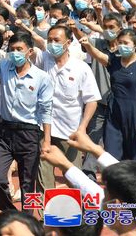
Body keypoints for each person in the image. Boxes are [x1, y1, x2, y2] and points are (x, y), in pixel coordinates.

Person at [0, 32, 53, 210]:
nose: (15, 53)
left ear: (29, 51)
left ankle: (29, 220)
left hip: (28, 133)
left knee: (28, 184)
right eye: (12, 49)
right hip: (5, 131)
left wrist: (47, 141)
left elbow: (46, 110)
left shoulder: (41, 77)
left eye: (19, 49)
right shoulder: (5, 67)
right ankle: (10, 211)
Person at [34, 25, 100, 194]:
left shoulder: (81, 68)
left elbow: (91, 100)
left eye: (57, 40)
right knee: (44, 176)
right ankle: (45, 218)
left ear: (68, 42)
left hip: (70, 133)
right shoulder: (44, 60)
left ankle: (79, 216)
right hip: (44, 129)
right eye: (50, 40)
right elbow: (32, 50)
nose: (52, 44)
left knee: (73, 176)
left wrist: (82, 127)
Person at [82, 28, 136, 164]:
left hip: (135, 113)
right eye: (119, 43)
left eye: (126, 43)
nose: (122, 46)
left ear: (135, 45)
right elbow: (98, 54)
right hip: (114, 112)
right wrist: (87, 45)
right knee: (113, 154)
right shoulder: (114, 62)